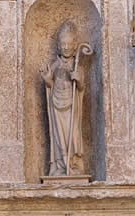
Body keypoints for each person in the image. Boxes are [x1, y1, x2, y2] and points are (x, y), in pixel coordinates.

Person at [41, 20, 86, 176]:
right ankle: (61, 165)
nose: (66, 47)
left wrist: (78, 79)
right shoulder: (55, 65)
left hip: (72, 106)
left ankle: (73, 164)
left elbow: (81, 88)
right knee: (59, 136)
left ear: (74, 46)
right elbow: (49, 84)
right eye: (63, 44)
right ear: (59, 46)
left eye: (69, 44)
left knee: (72, 135)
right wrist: (48, 80)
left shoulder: (77, 66)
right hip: (56, 105)